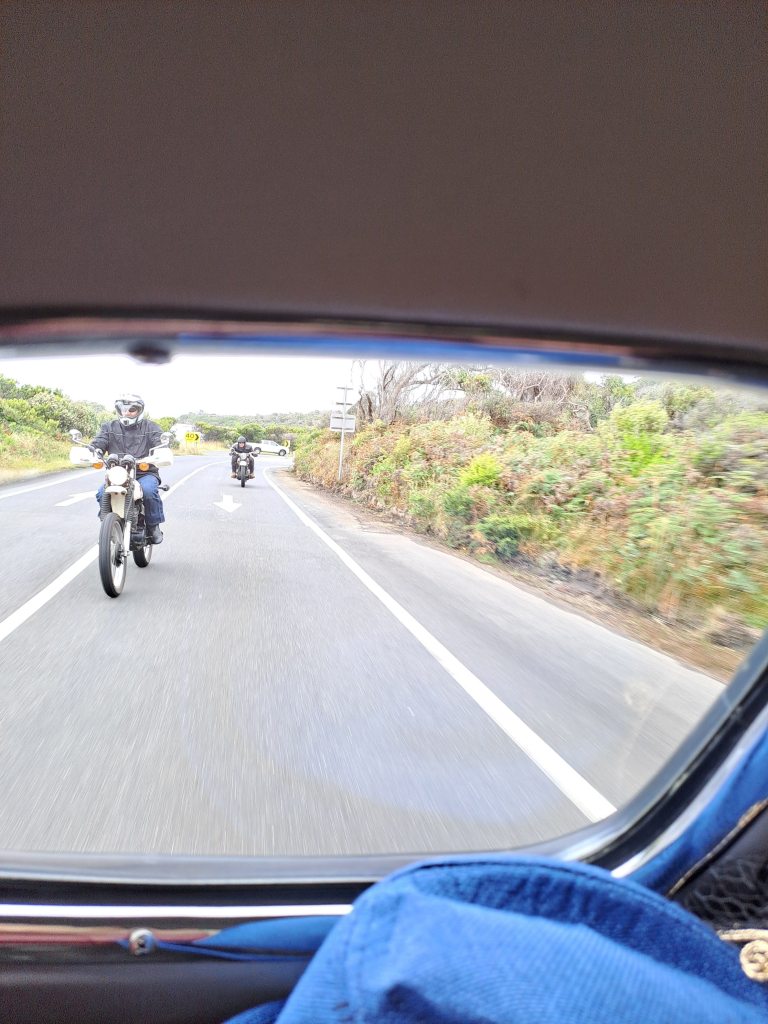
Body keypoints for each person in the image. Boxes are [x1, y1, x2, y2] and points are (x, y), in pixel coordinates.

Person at [90, 394, 166, 544]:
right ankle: (108, 527)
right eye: (122, 409)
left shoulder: (151, 427)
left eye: (131, 410)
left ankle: (153, 526)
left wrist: (160, 452)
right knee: (101, 493)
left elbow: (159, 442)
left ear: (139, 410)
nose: (126, 413)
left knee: (149, 491)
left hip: (144, 472)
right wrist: (94, 451)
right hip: (118, 474)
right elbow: (99, 442)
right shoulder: (109, 427)